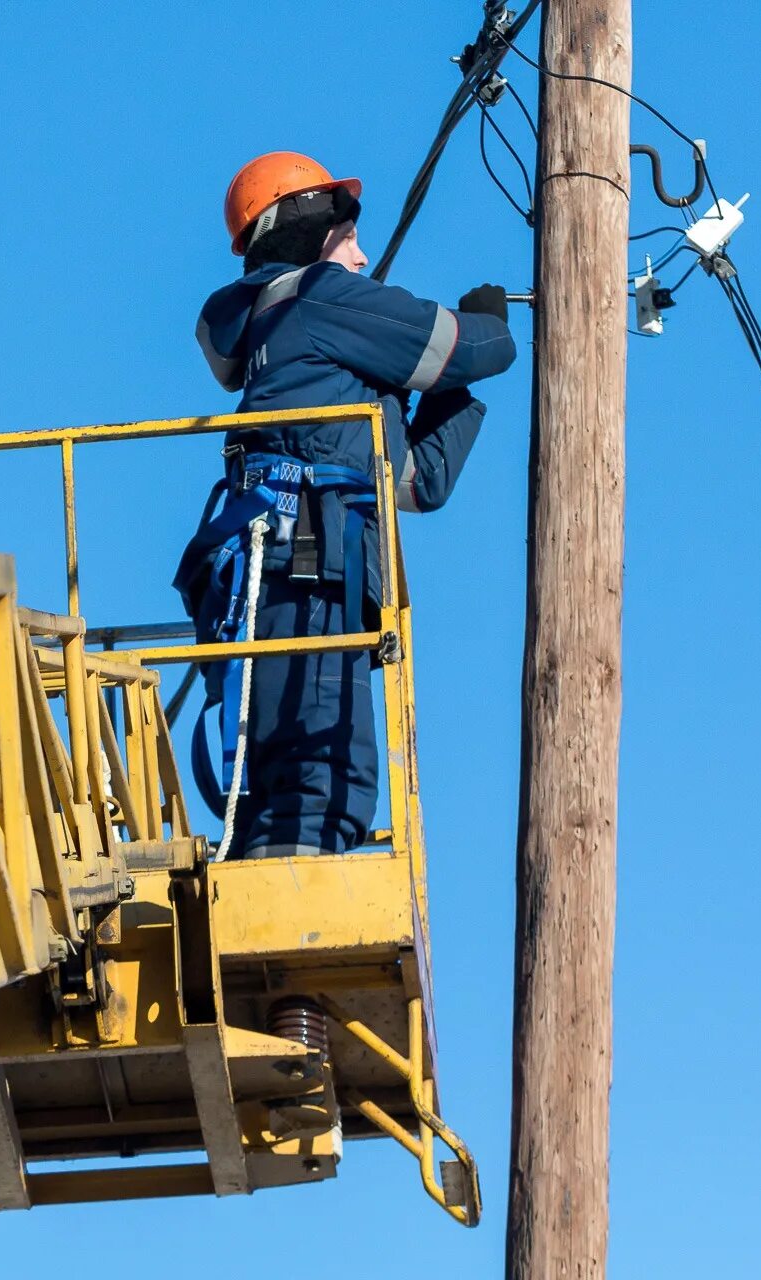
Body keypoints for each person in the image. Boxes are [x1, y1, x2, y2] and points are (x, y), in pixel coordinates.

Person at [175, 151, 517, 859]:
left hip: (280, 568)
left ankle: (263, 931)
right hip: (303, 560)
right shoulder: (317, 299)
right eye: (350, 237)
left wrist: (441, 394)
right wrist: (488, 321)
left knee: (286, 781)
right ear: (308, 228)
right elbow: (462, 344)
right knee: (319, 778)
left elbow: (415, 483)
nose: (361, 259)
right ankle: (284, 934)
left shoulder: (301, 364)